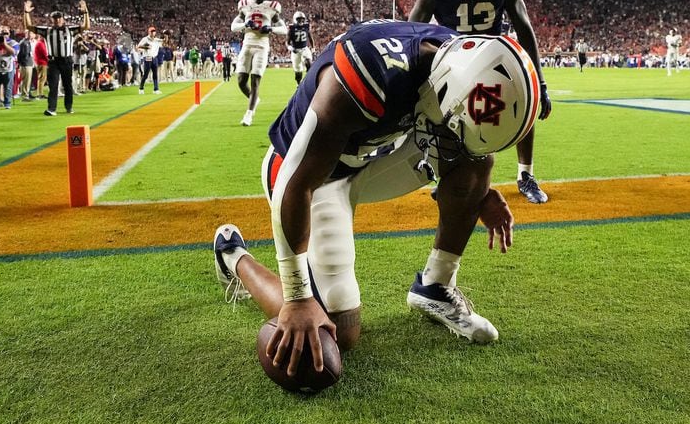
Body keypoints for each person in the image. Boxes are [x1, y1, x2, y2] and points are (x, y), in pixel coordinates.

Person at [211, 21, 537, 379]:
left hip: (374, 154)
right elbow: (296, 179)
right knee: (337, 331)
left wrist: (480, 191)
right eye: (452, 129)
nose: (455, 142)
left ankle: (435, 286)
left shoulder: (458, 60)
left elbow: (469, 145)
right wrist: (297, 295)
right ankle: (233, 256)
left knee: (477, 163)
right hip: (313, 174)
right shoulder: (366, 72)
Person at [407, 0, 553, 204]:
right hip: (451, 57)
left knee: (521, 95)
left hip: (492, 52)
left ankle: (526, 175)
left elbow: (523, 25)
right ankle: (452, 176)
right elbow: (412, 29)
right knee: (447, 120)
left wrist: (540, 84)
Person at [231, 0, 287, 126]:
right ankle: (254, 100)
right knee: (241, 81)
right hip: (247, 43)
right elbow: (233, 27)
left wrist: (270, 29)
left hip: (262, 45)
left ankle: (249, 114)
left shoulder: (272, 7)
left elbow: (284, 29)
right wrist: (245, 25)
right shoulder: (244, 5)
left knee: (255, 80)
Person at [23, 0, 90, 117]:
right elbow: (28, 26)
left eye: (59, 18)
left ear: (63, 19)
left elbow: (86, 26)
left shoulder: (70, 29)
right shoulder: (47, 30)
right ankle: (51, 109)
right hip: (53, 61)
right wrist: (26, 12)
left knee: (67, 85)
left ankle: (68, 106)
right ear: (51, 19)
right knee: (53, 85)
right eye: (55, 18)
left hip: (67, 60)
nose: (57, 20)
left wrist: (85, 12)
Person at [287, 10, 314, 85]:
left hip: (305, 48)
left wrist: (313, 47)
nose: (301, 21)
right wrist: (290, 48)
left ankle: (309, 81)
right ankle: (299, 84)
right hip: (295, 50)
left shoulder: (306, 26)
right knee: (298, 71)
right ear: (295, 19)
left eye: (302, 19)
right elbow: (287, 42)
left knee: (309, 63)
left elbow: (310, 37)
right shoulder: (291, 28)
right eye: (299, 19)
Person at [136, 26, 163, 95]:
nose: (153, 33)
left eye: (154, 31)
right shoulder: (145, 39)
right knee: (146, 74)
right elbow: (138, 46)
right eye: (152, 31)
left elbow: (165, 41)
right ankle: (141, 88)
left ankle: (156, 89)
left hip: (154, 57)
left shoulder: (156, 40)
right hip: (147, 57)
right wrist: (146, 47)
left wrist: (166, 35)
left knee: (155, 74)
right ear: (149, 32)